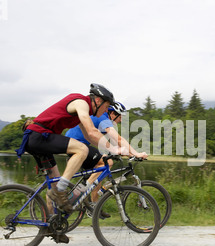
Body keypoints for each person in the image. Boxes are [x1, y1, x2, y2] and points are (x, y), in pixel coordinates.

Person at [16, 84, 127, 216]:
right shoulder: (81, 103)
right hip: (39, 136)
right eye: (106, 106)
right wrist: (114, 149)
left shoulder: (82, 111)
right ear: (98, 100)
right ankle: (68, 191)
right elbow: (92, 132)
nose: (105, 110)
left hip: (40, 140)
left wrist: (112, 149)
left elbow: (89, 136)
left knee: (54, 184)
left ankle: (51, 223)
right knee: (82, 150)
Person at [65, 101, 148, 207]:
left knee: (99, 174)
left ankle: (94, 207)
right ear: (113, 114)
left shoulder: (104, 120)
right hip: (76, 145)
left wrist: (130, 154)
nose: (121, 120)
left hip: (77, 145)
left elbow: (115, 144)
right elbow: (118, 139)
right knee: (107, 162)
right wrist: (137, 153)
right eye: (120, 117)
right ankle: (81, 191)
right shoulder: (104, 119)